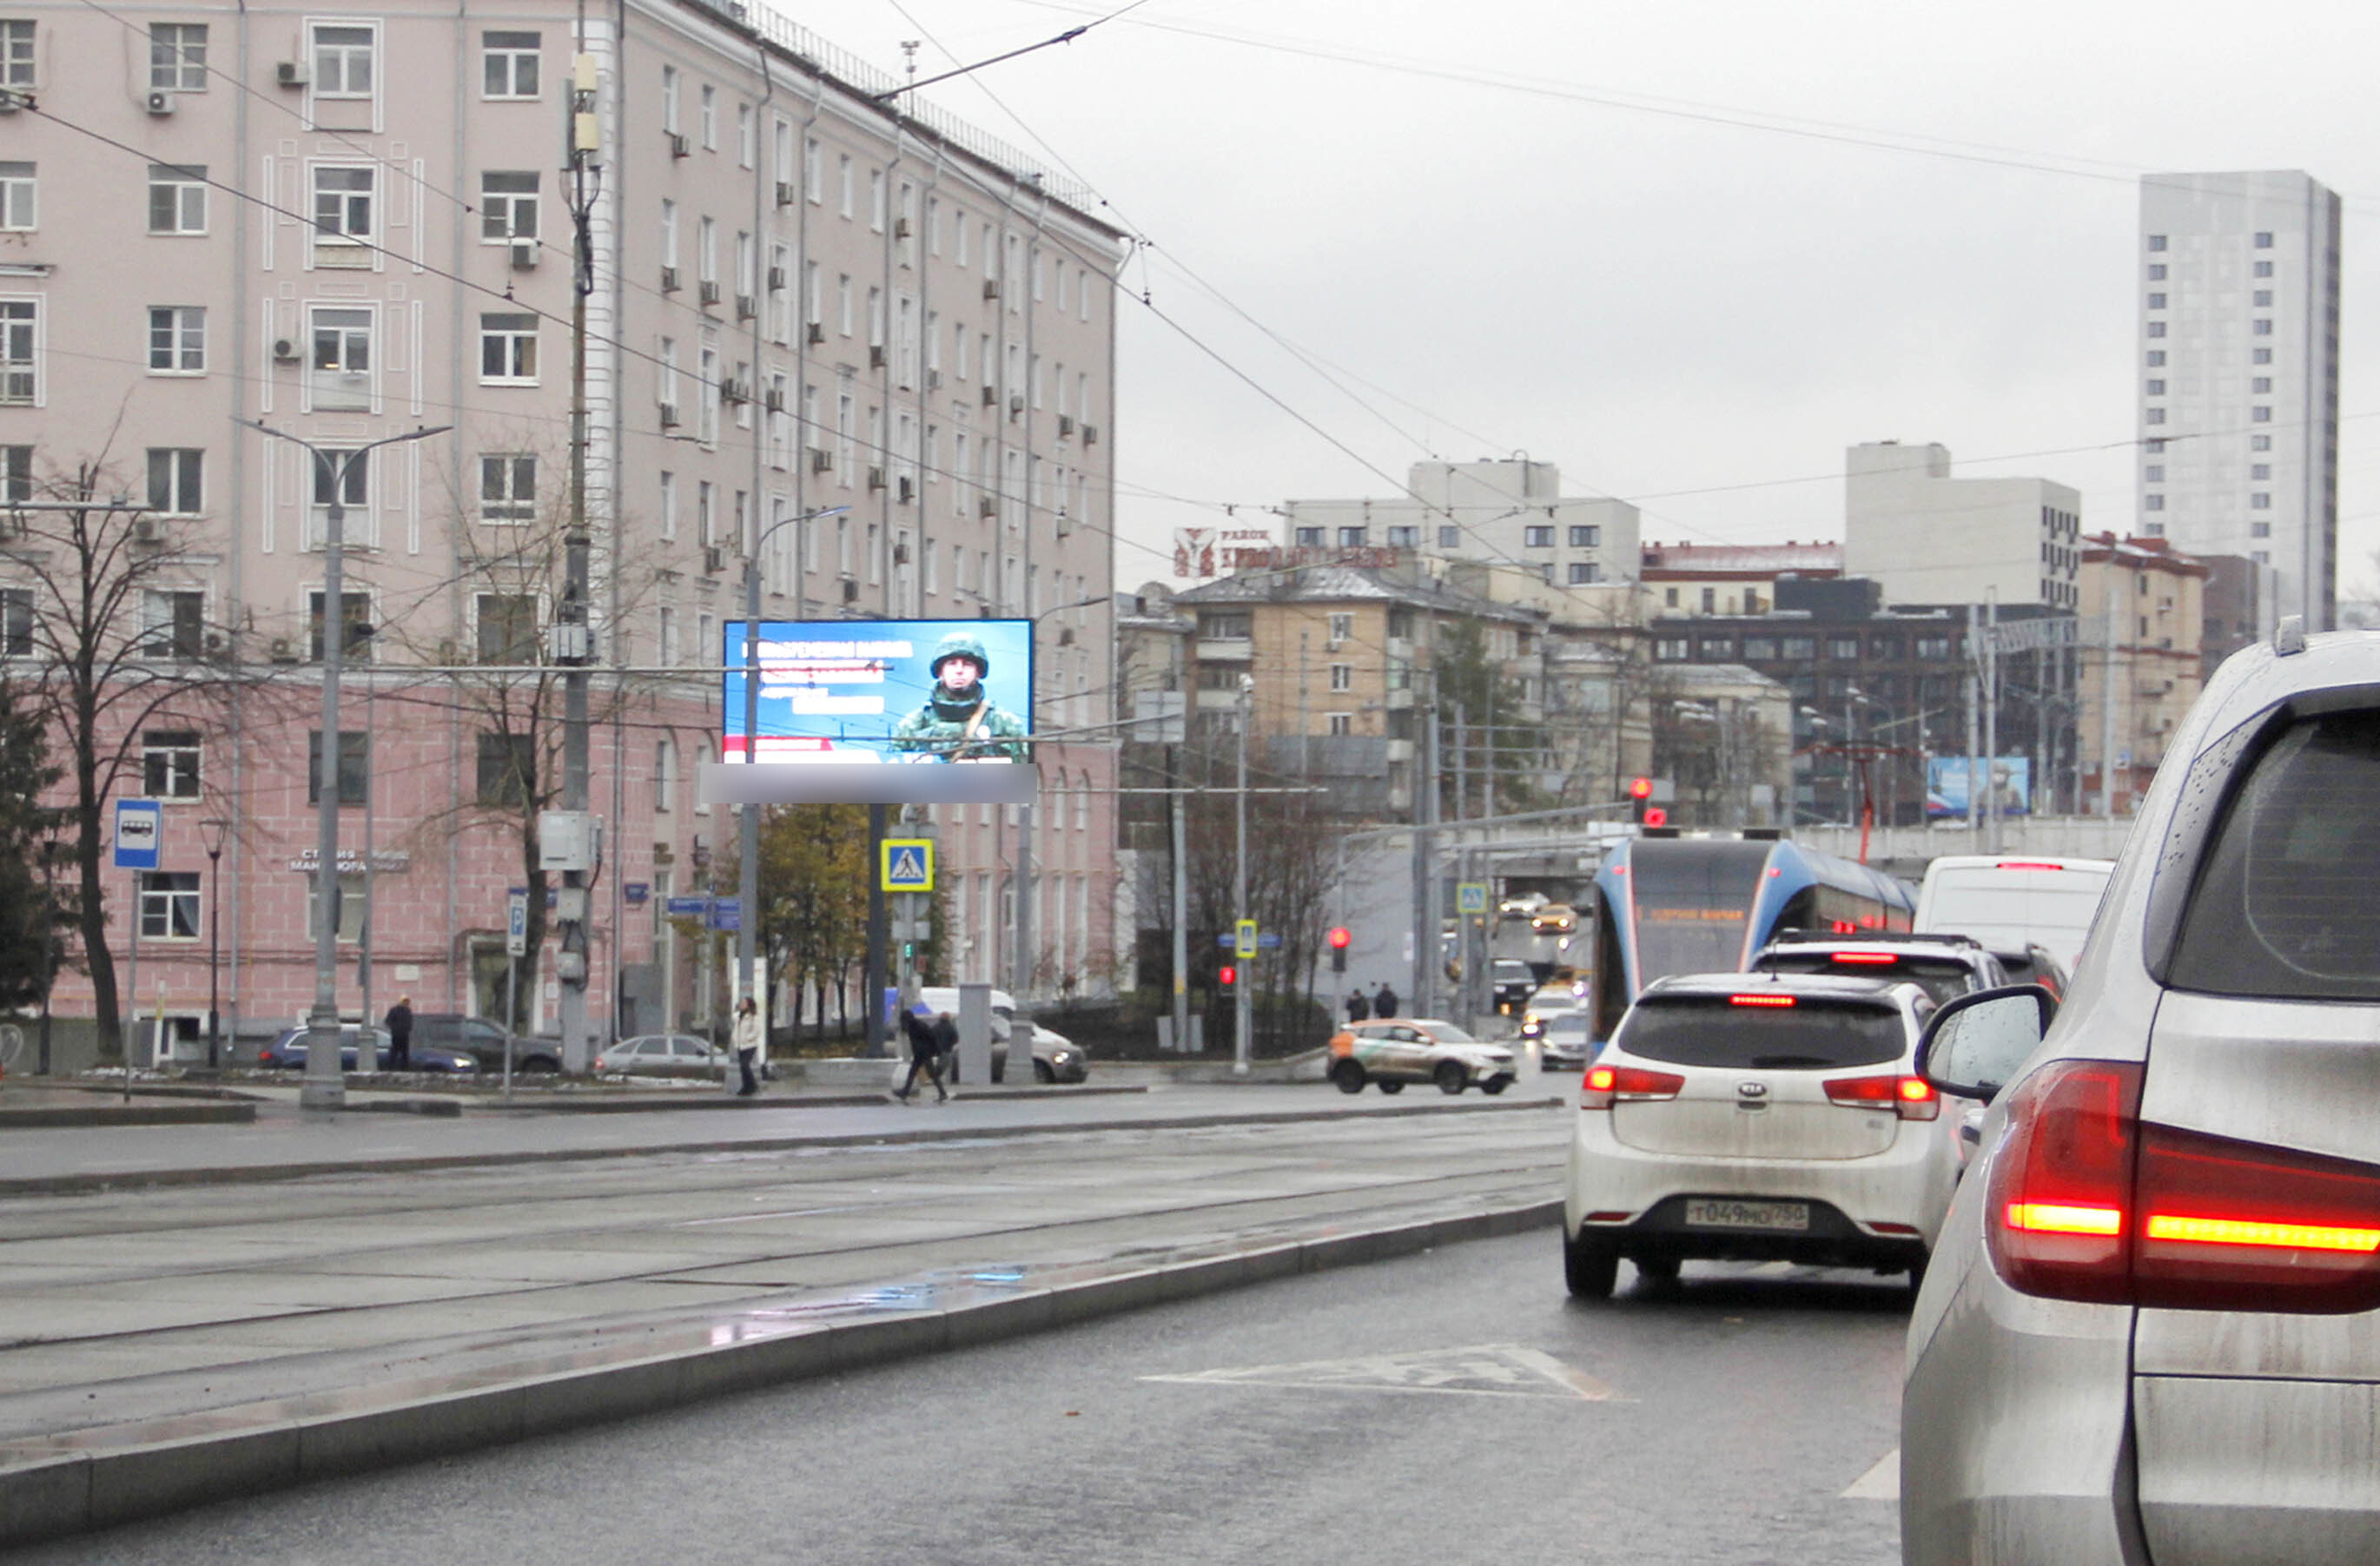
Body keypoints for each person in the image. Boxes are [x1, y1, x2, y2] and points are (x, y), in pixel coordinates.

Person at [890, 631, 1030, 762]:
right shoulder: (914, 724)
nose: (959, 671)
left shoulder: (1002, 723)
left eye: (967, 665)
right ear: (940, 671)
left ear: (978, 672)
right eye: (951, 664)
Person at [896, 1007, 948, 1103]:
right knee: (913, 1072)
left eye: (904, 1020)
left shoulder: (919, 1026)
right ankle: (905, 1092)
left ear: (907, 1019)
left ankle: (942, 1093)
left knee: (931, 1073)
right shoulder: (911, 1026)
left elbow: (931, 1036)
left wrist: (932, 1050)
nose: (903, 1023)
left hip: (925, 1053)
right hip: (919, 1054)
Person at [731, 996, 763, 1097]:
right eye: (741, 1003)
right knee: (742, 1067)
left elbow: (757, 1031)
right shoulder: (738, 1016)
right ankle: (746, 1087)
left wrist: (748, 1038)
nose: (741, 1004)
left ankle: (753, 1086)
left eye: (743, 1003)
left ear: (748, 1005)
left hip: (750, 1045)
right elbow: (735, 1028)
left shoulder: (753, 1016)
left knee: (745, 1065)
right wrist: (735, 1039)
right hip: (740, 1045)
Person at [383, 994, 413, 1072]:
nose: (406, 1003)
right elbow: (387, 1021)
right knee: (394, 1053)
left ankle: (404, 1070)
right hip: (396, 1036)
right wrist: (395, 1028)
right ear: (401, 1002)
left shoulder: (408, 1011)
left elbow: (410, 1022)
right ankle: (390, 1069)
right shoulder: (394, 1010)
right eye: (404, 1001)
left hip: (404, 1035)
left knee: (404, 1054)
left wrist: (407, 1029)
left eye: (407, 1002)